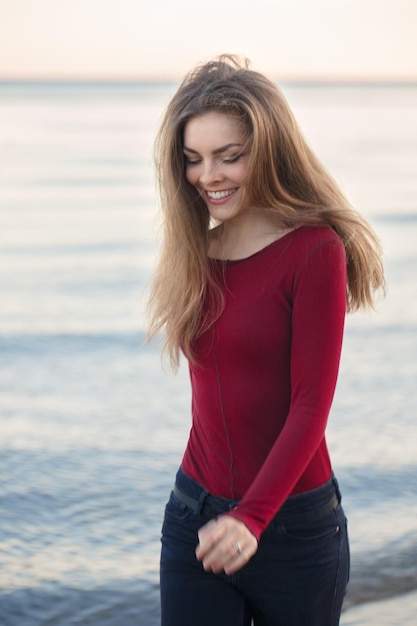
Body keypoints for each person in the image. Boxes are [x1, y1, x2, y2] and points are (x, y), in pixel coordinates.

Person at [147, 54, 385, 626]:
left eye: (230, 156)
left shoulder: (315, 251)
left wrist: (252, 517)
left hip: (294, 530)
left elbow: (310, 404)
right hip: (195, 515)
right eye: (193, 159)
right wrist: (226, 515)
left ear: (269, 150)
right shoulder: (193, 252)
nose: (209, 176)